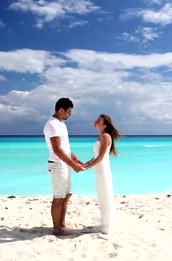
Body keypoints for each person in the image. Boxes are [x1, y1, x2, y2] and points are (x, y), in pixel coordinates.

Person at [43, 97, 85, 236]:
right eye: (68, 111)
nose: (70, 114)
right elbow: (57, 149)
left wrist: (74, 158)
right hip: (58, 164)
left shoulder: (61, 123)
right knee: (59, 197)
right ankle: (57, 229)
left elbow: (65, 147)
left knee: (67, 195)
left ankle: (62, 224)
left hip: (65, 163)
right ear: (61, 110)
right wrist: (73, 165)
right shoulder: (52, 124)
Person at [84, 114, 122, 234]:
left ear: (104, 125)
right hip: (99, 170)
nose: (95, 121)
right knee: (102, 196)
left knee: (105, 196)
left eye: (98, 120)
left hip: (103, 171)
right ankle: (105, 223)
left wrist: (86, 168)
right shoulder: (101, 136)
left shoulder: (105, 136)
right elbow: (97, 156)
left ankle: (107, 226)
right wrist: (86, 164)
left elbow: (100, 158)